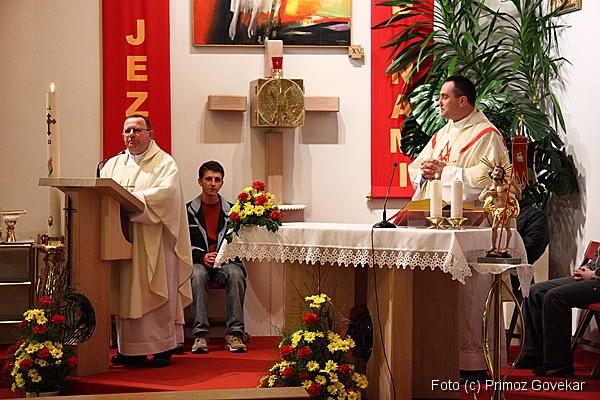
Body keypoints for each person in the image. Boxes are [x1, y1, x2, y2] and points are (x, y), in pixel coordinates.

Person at [408, 75, 509, 383]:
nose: (438, 102)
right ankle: (441, 356)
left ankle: (473, 363)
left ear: (462, 100)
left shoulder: (486, 135)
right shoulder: (441, 134)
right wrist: (426, 171)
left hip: (472, 229)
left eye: (444, 96)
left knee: (470, 296)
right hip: (437, 226)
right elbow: (417, 166)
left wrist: (446, 172)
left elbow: (491, 177)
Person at [100, 114, 193, 368]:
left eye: (138, 130)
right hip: (122, 238)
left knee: (157, 287)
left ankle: (162, 347)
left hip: (156, 241)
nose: (132, 135)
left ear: (150, 135)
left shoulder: (165, 163)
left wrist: (130, 199)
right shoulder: (112, 165)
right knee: (127, 291)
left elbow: (167, 196)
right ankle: (130, 349)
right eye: (127, 130)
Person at [186, 160, 248, 353]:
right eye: (208, 179)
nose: (213, 184)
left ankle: (235, 334)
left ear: (222, 183)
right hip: (199, 262)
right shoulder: (188, 211)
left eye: (217, 180)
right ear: (200, 181)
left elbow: (240, 244)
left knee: (236, 274)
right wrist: (202, 256)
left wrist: (222, 256)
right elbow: (181, 244)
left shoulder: (234, 212)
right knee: (196, 275)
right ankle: (200, 335)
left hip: (226, 263)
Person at [516, 247, 600, 377]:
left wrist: (594, 274)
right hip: (593, 277)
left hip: (597, 280)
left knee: (555, 297)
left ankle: (559, 363)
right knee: (534, 291)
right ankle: (535, 354)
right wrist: (585, 269)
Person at [479, 165, 521, 254]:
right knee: (494, 228)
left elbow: (518, 195)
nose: (497, 173)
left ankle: (506, 247)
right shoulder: (489, 187)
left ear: (502, 175)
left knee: (507, 228)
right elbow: (481, 198)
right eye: (496, 170)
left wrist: (514, 185)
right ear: (492, 173)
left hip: (505, 210)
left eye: (500, 172)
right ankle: (493, 246)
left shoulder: (504, 186)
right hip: (496, 211)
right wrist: (488, 193)